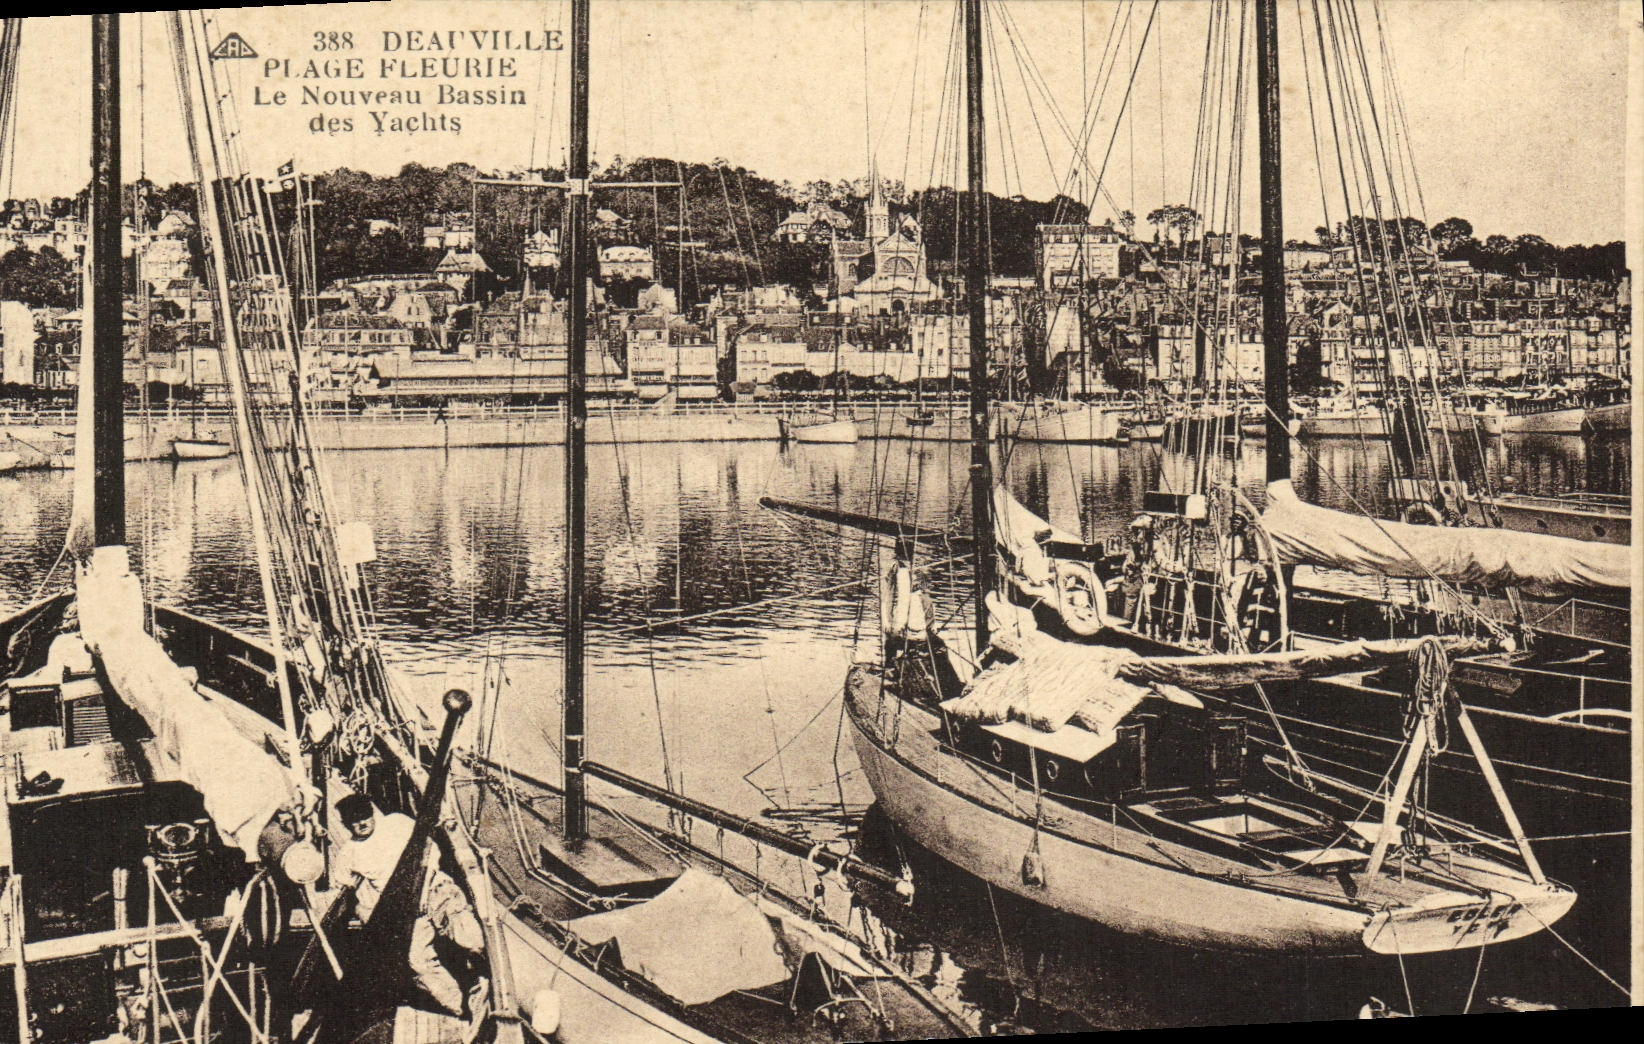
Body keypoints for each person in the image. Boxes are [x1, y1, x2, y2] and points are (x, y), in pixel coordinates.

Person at [333, 794, 487, 1018]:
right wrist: (365, 912)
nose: (361, 823)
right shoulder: (348, 853)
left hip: (432, 888)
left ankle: (483, 980)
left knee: (469, 936)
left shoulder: (397, 822)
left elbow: (431, 849)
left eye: (364, 815)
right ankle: (463, 1008)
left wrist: (424, 883)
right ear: (345, 824)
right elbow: (343, 891)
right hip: (405, 911)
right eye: (353, 820)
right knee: (418, 962)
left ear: (372, 811)